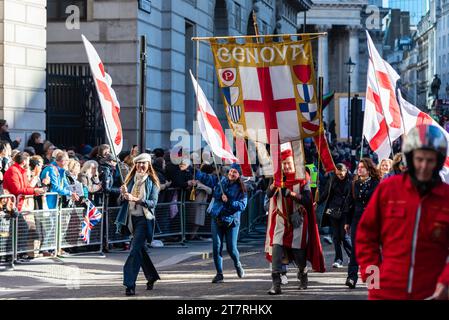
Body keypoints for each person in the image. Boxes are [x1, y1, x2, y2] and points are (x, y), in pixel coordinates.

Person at [356, 124, 449, 300]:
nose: (423, 166)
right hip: (387, 291)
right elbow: (366, 235)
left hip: (432, 293)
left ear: (438, 162)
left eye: (430, 160)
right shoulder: (388, 190)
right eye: (419, 159)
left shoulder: (446, 198)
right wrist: (372, 278)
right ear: (409, 158)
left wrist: (446, 282)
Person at [265, 148, 325, 295]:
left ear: (294, 163)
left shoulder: (303, 177)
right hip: (280, 221)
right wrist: (275, 184)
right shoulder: (278, 177)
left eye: (288, 163)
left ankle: (303, 275)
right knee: (277, 252)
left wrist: (291, 194)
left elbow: (306, 199)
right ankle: (276, 284)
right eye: (283, 163)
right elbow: (268, 193)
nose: (286, 166)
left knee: (299, 255)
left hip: (298, 221)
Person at [114, 153, 161, 296]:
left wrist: (136, 199)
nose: (141, 166)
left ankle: (130, 285)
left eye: (144, 163)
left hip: (143, 220)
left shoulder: (152, 182)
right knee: (140, 250)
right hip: (130, 220)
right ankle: (151, 276)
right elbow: (120, 202)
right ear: (135, 165)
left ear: (148, 165)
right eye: (138, 163)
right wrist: (122, 195)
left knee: (134, 250)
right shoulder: (129, 180)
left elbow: (153, 203)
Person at [194, 162, 248, 284]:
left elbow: (242, 205)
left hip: (232, 221)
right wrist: (192, 170)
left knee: (231, 248)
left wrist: (229, 201)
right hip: (217, 217)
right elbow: (207, 178)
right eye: (231, 171)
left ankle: (237, 264)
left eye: (235, 172)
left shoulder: (242, 189)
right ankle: (219, 274)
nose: (231, 173)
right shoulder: (221, 180)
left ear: (239, 175)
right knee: (216, 246)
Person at [344, 158, 381, 289]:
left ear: (369, 169)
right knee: (355, 249)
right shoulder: (354, 183)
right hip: (357, 219)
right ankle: (351, 278)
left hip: (372, 221)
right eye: (358, 167)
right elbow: (349, 204)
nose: (359, 169)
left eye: (362, 167)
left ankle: (373, 278)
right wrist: (347, 222)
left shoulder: (377, 183)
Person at [318, 163, 353, 268]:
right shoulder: (332, 178)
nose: (339, 176)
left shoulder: (352, 180)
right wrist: (318, 202)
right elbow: (326, 193)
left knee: (344, 236)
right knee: (336, 237)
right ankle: (338, 259)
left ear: (345, 170)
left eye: (341, 174)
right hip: (333, 211)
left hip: (345, 212)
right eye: (337, 174)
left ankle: (353, 256)